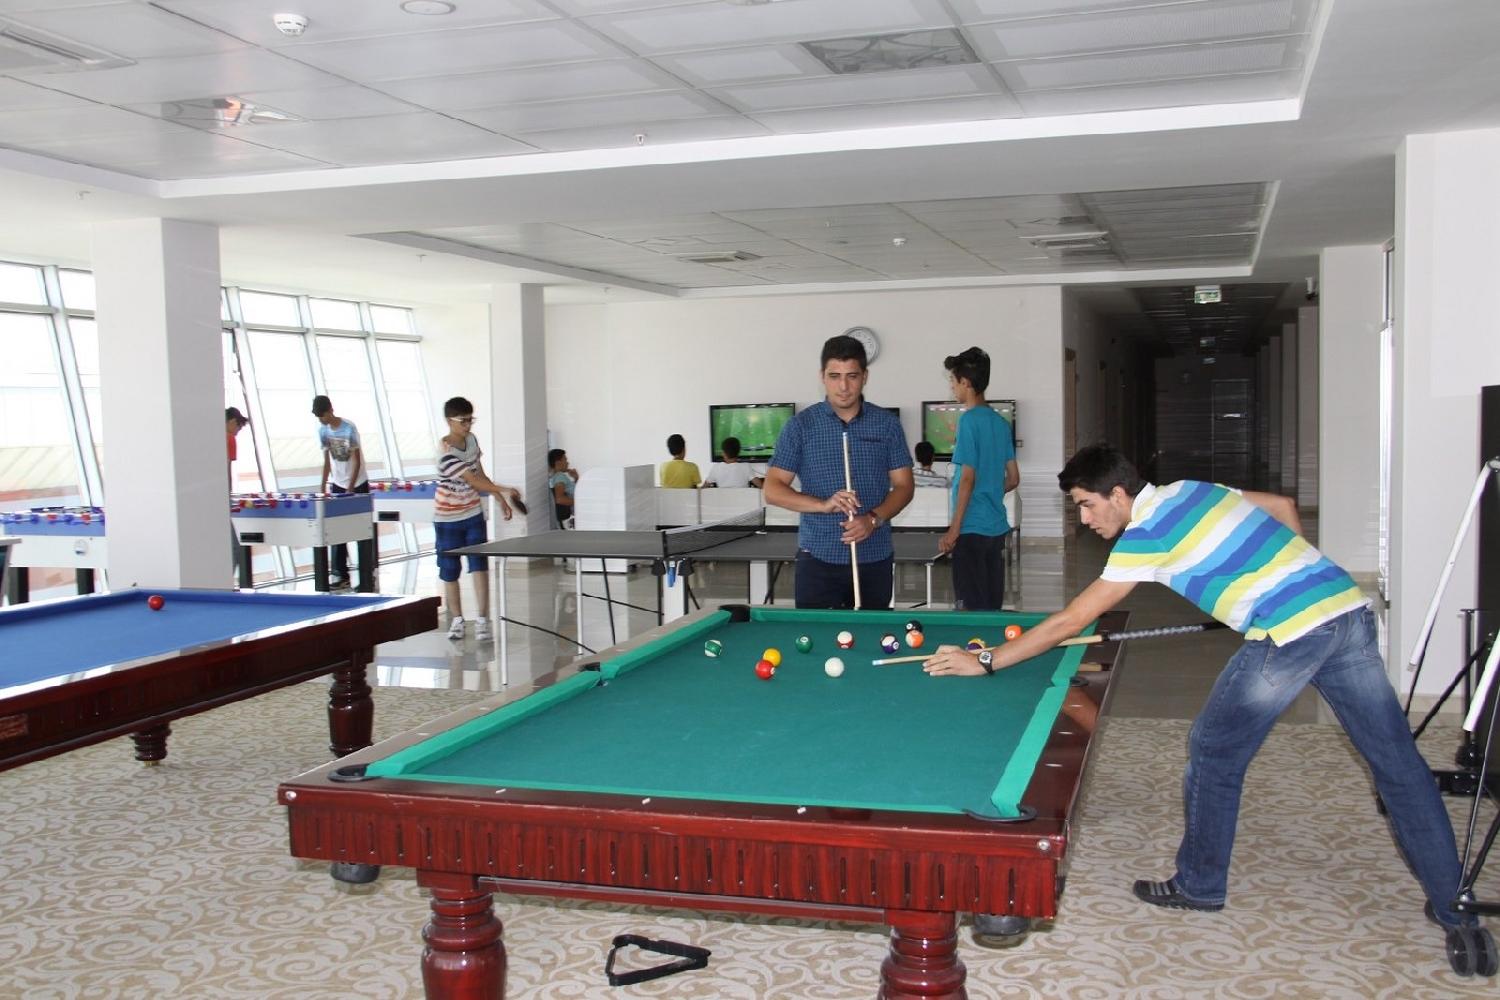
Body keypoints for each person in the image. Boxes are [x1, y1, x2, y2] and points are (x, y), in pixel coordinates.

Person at [923, 443, 1476, 937]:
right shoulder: (1190, 490)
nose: (1085, 519)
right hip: (1344, 610)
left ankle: (1200, 884)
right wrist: (1291, 579)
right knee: (1398, 765)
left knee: (1212, 751)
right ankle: (1454, 907)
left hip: (1290, 635)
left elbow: (1072, 620)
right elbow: (1281, 507)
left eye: (1087, 505)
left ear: (1119, 495)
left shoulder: (1145, 536)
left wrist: (986, 661)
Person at [763, 334, 914, 609]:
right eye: (835, 376)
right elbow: (772, 490)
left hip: (874, 557)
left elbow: (904, 486)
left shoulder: (887, 425)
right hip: (817, 558)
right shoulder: (800, 426)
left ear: (865, 376)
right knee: (815, 634)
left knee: (871, 634)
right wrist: (823, 505)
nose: (843, 387)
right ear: (822, 376)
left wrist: (872, 519)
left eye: (852, 376)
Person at [434, 397, 524, 642]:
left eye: (470, 420)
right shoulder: (445, 452)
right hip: (447, 518)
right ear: (449, 421)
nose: (467, 425)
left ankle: (483, 620)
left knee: (479, 566)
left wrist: (500, 499)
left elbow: (480, 473)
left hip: (473, 513)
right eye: (463, 421)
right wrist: (506, 489)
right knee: (450, 571)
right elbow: (473, 481)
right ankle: (457, 620)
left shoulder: (472, 440)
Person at [938, 347, 1019, 611]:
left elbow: (967, 479)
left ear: (966, 382)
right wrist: (991, 492)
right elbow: (1013, 478)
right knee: (991, 605)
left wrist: (954, 529)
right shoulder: (1000, 423)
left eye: (953, 380)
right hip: (996, 527)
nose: (952, 386)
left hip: (971, 528)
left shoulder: (969, 421)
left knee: (970, 609)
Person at [311, 394, 369, 589]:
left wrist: (351, 488)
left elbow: (357, 460)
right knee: (336, 530)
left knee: (361, 530)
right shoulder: (323, 431)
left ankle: (367, 576)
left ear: (330, 410)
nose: (321, 419)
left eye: (322, 415)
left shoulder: (349, 427)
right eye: (318, 417)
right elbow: (327, 461)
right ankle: (340, 575)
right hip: (337, 484)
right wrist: (323, 486)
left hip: (357, 482)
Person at [547, 448, 579, 528]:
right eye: (565, 459)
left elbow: (572, 492)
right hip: (576, 513)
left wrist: (576, 478)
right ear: (558, 463)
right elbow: (560, 499)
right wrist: (580, 502)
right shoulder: (559, 476)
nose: (568, 463)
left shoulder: (554, 477)